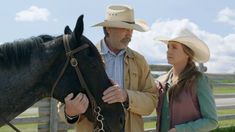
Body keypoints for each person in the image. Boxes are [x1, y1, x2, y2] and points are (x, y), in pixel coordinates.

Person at [58, 4, 157, 132]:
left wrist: (126, 96)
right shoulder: (83, 58)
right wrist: (70, 112)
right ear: (108, 28)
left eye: (131, 29)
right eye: (125, 28)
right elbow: (63, 107)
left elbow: (151, 101)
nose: (129, 33)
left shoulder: (139, 61)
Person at [155, 28, 218, 132]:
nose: (168, 51)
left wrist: (180, 130)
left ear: (187, 53)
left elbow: (211, 121)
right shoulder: (161, 81)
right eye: (168, 47)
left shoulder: (199, 80)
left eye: (174, 47)